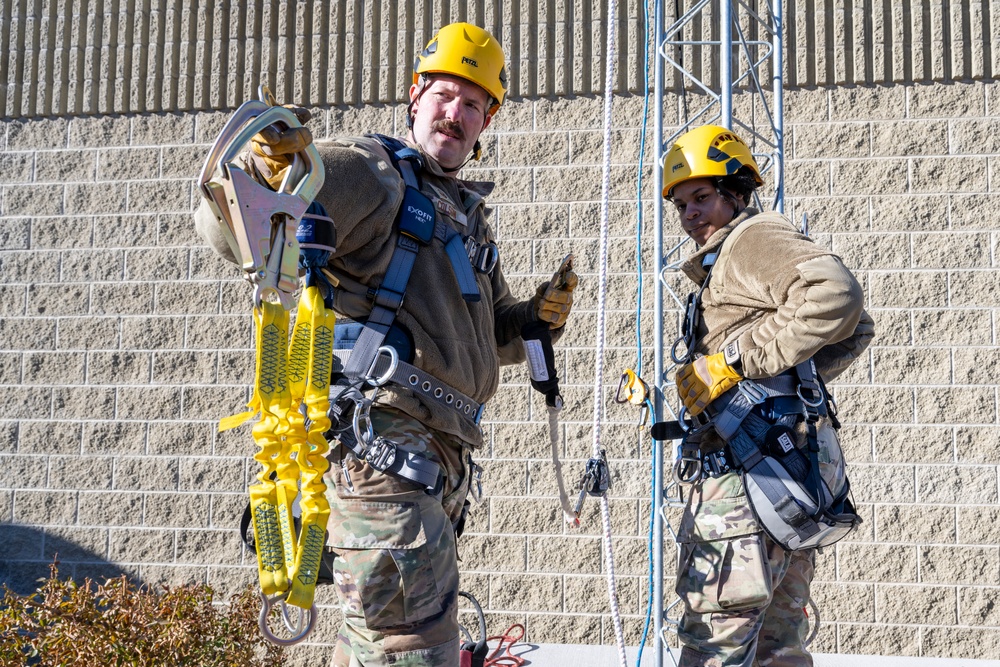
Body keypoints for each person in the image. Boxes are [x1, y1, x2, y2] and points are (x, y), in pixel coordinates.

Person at [195, 22, 577, 666]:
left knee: (374, 649)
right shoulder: (374, 176)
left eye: (474, 104)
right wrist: (269, 171)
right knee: (410, 650)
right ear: (414, 96)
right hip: (383, 453)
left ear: (487, 122)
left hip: (433, 464)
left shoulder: (463, 217)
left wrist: (533, 320)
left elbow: (486, 339)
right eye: (444, 95)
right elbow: (241, 229)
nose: (455, 114)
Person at [662, 124, 874, 666]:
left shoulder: (749, 240)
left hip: (743, 494)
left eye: (702, 196)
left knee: (714, 647)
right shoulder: (727, 258)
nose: (690, 213)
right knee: (777, 652)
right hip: (778, 485)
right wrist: (781, 382)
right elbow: (855, 330)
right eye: (681, 203)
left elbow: (839, 297)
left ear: (737, 192)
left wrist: (735, 363)